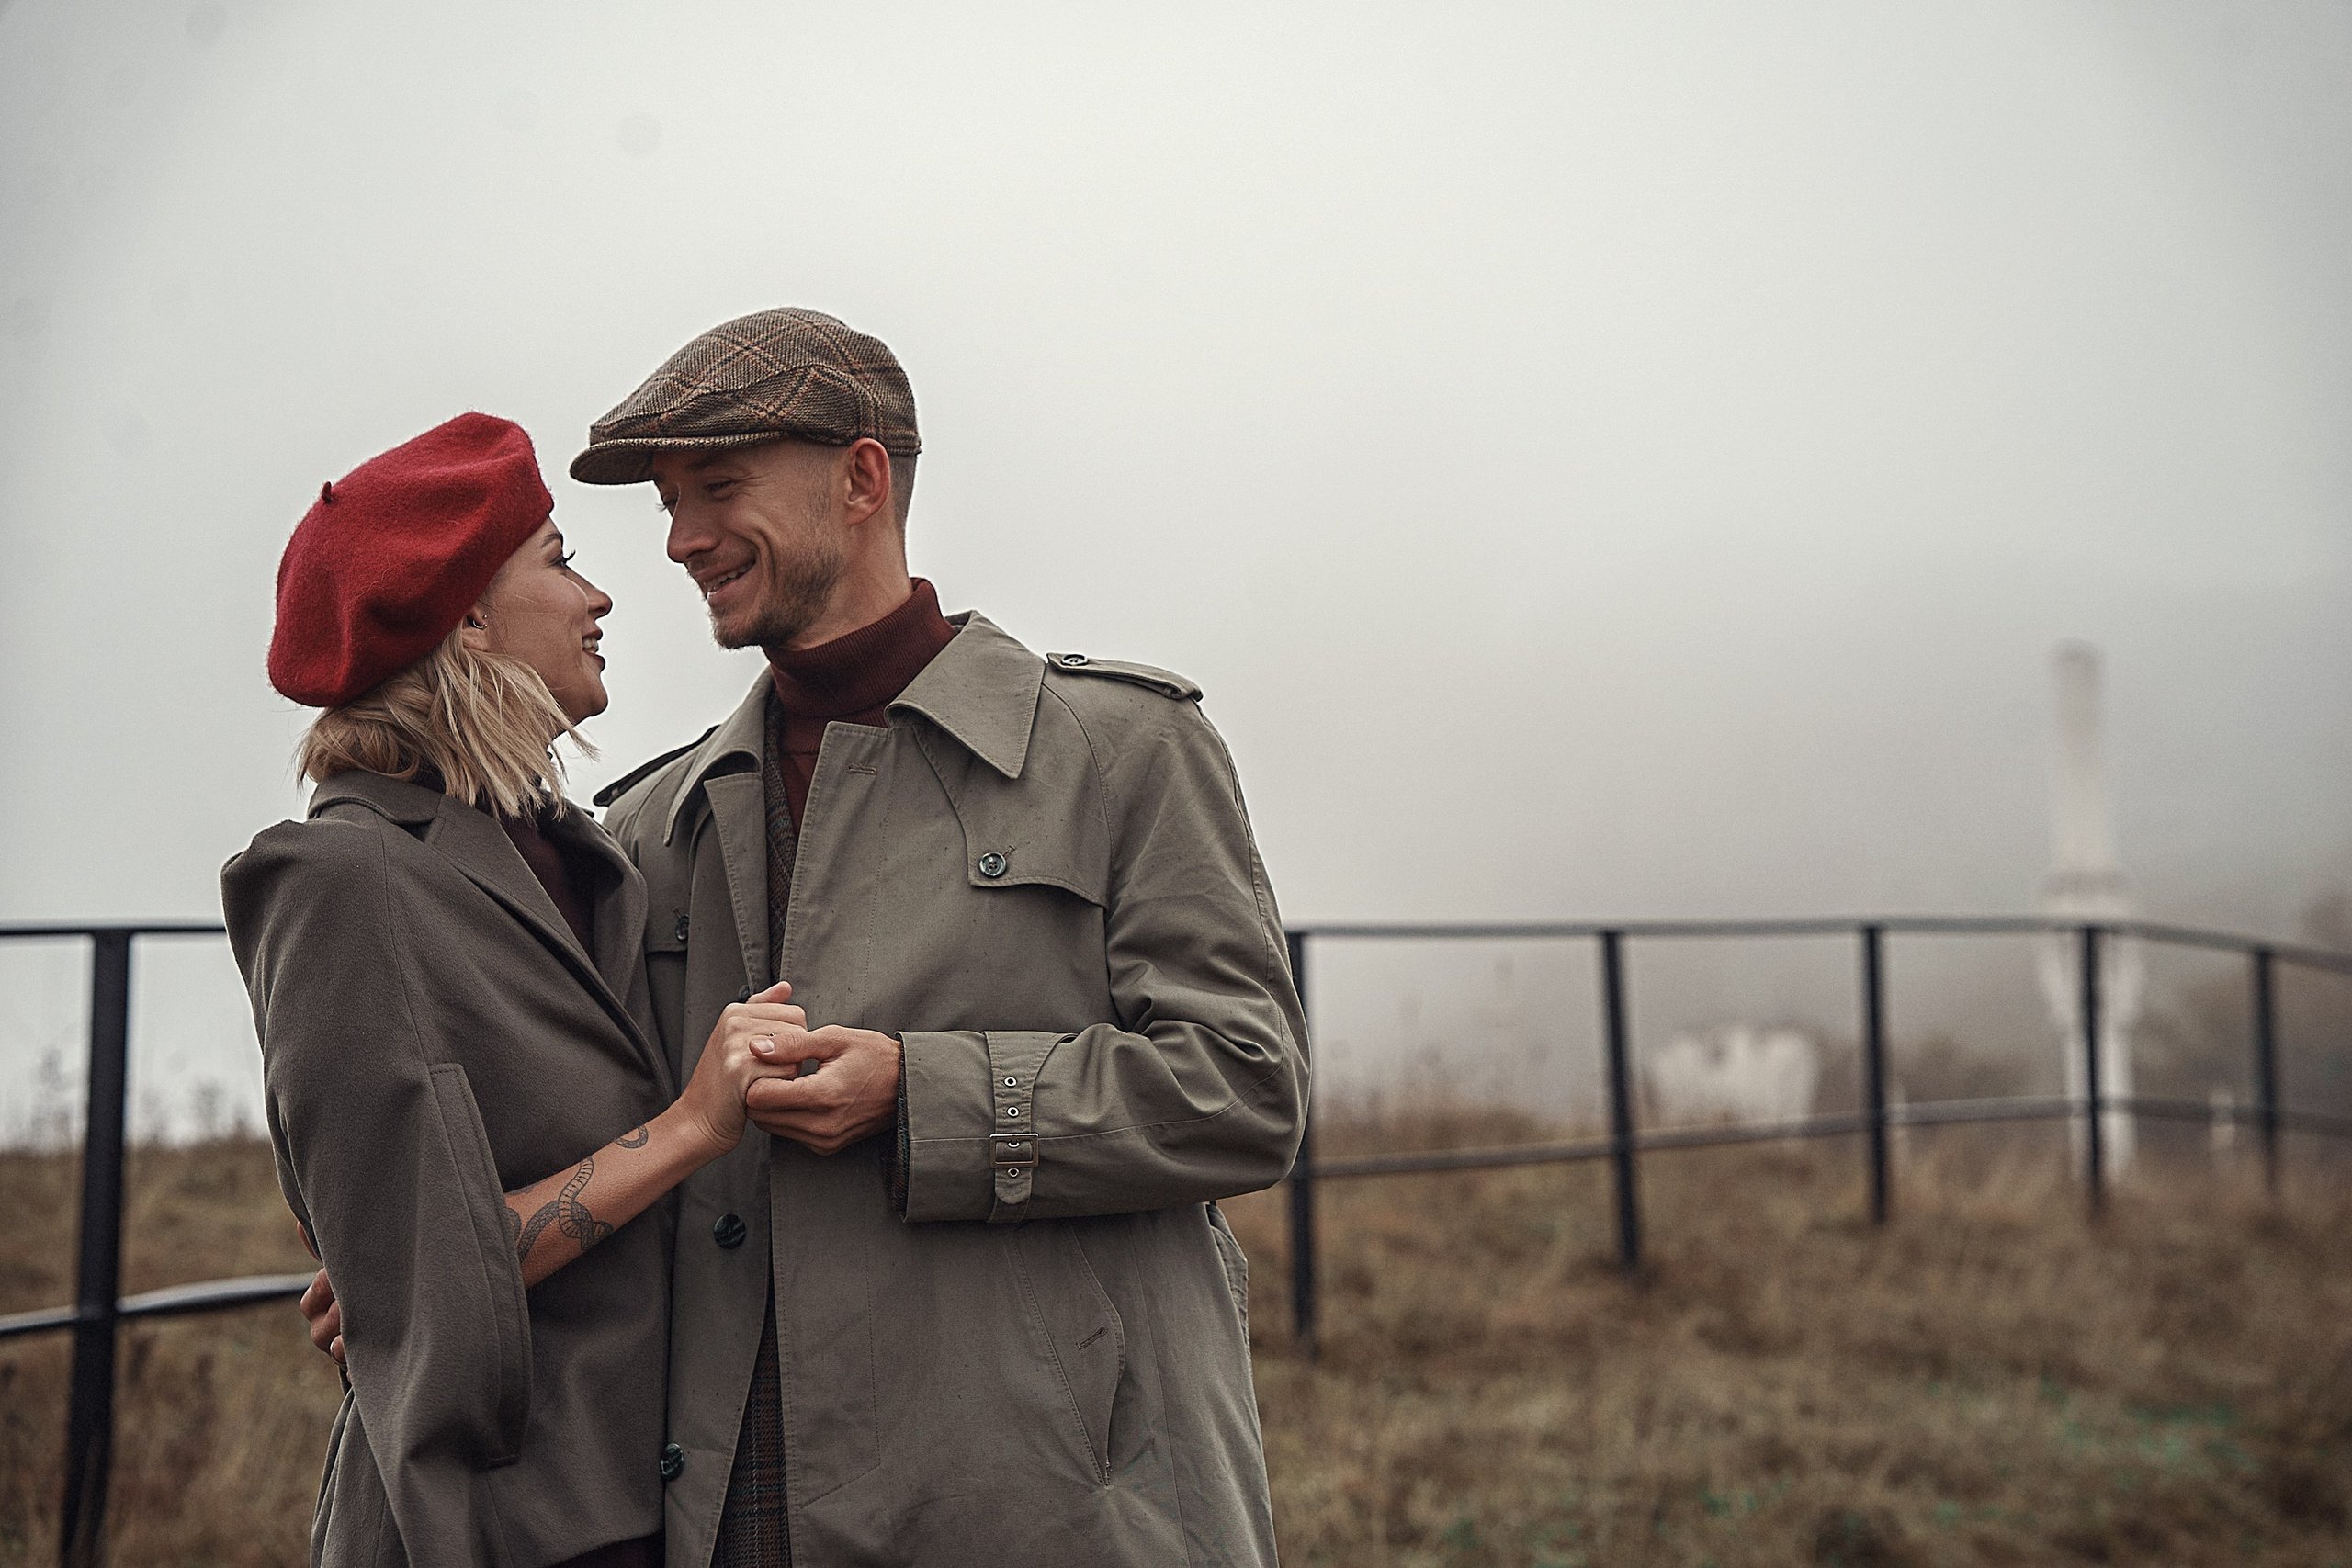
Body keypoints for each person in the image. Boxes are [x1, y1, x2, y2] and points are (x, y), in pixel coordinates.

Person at [574, 309, 1311, 1566]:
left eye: (719, 487)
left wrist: (924, 1092)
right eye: (667, 502)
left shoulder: (1125, 749)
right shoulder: (650, 823)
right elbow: (603, 1131)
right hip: (740, 1505)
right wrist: (452, 1249)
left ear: (862, 479)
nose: (682, 537)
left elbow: (1242, 1090)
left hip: (1056, 1508)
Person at [226, 412, 808, 1568]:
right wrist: (694, 1124)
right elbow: (422, 1285)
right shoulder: (340, 879)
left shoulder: (591, 857)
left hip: (668, 1490)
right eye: (559, 560)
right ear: (471, 619)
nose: (598, 599)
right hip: (501, 1518)